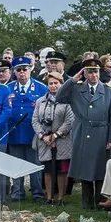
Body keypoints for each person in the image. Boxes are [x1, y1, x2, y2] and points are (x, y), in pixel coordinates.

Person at [56, 59, 111, 210]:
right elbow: (59, 97)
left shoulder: (108, 90)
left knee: (101, 170)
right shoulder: (76, 89)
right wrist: (71, 81)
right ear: (84, 73)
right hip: (83, 132)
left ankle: (100, 201)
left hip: (101, 133)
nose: (94, 75)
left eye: (96, 71)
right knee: (85, 171)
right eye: (90, 71)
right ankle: (86, 202)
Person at [5, 57, 44, 202]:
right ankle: (17, 193)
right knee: (16, 165)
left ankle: (37, 193)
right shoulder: (8, 88)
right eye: (18, 70)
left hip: (33, 133)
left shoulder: (41, 88)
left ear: (30, 70)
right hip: (15, 132)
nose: (22, 72)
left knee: (34, 165)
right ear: (14, 72)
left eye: (25, 69)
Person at [33, 71, 74, 206]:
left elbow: (69, 121)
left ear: (61, 84)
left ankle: (61, 198)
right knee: (48, 170)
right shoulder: (40, 101)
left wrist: (56, 135)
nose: (53, 86)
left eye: (56, 83)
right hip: (45, 140)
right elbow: (35, 120)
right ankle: (49, 197)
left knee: (62, 170)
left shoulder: (67, 102)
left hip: (62, 140)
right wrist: (42, 135)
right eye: (50, 83)